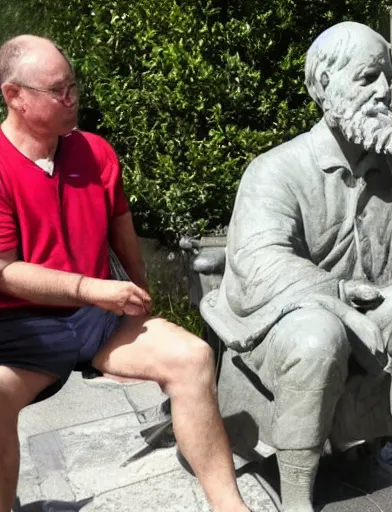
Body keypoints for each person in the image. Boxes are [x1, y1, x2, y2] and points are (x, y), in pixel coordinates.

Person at [202, 21, 392, 512]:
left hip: (375, 312)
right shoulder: (276, 169)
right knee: (317, 335)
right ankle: (299, 496)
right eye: (368, 78)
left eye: (387, 78)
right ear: (324, 88)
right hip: (285, 318)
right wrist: (337, 294)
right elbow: (259, 262)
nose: (384, 92)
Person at [0, 35, 250, 512]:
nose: (73, 98)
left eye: (74, 85)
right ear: (16, 97)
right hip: (20, 327)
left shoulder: (95, 152)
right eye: (60, 91)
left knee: (193, 357)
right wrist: (91, 288)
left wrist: (140, 293)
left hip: (98, 319)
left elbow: (122, 230)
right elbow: (4, 271)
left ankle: (231, 508)